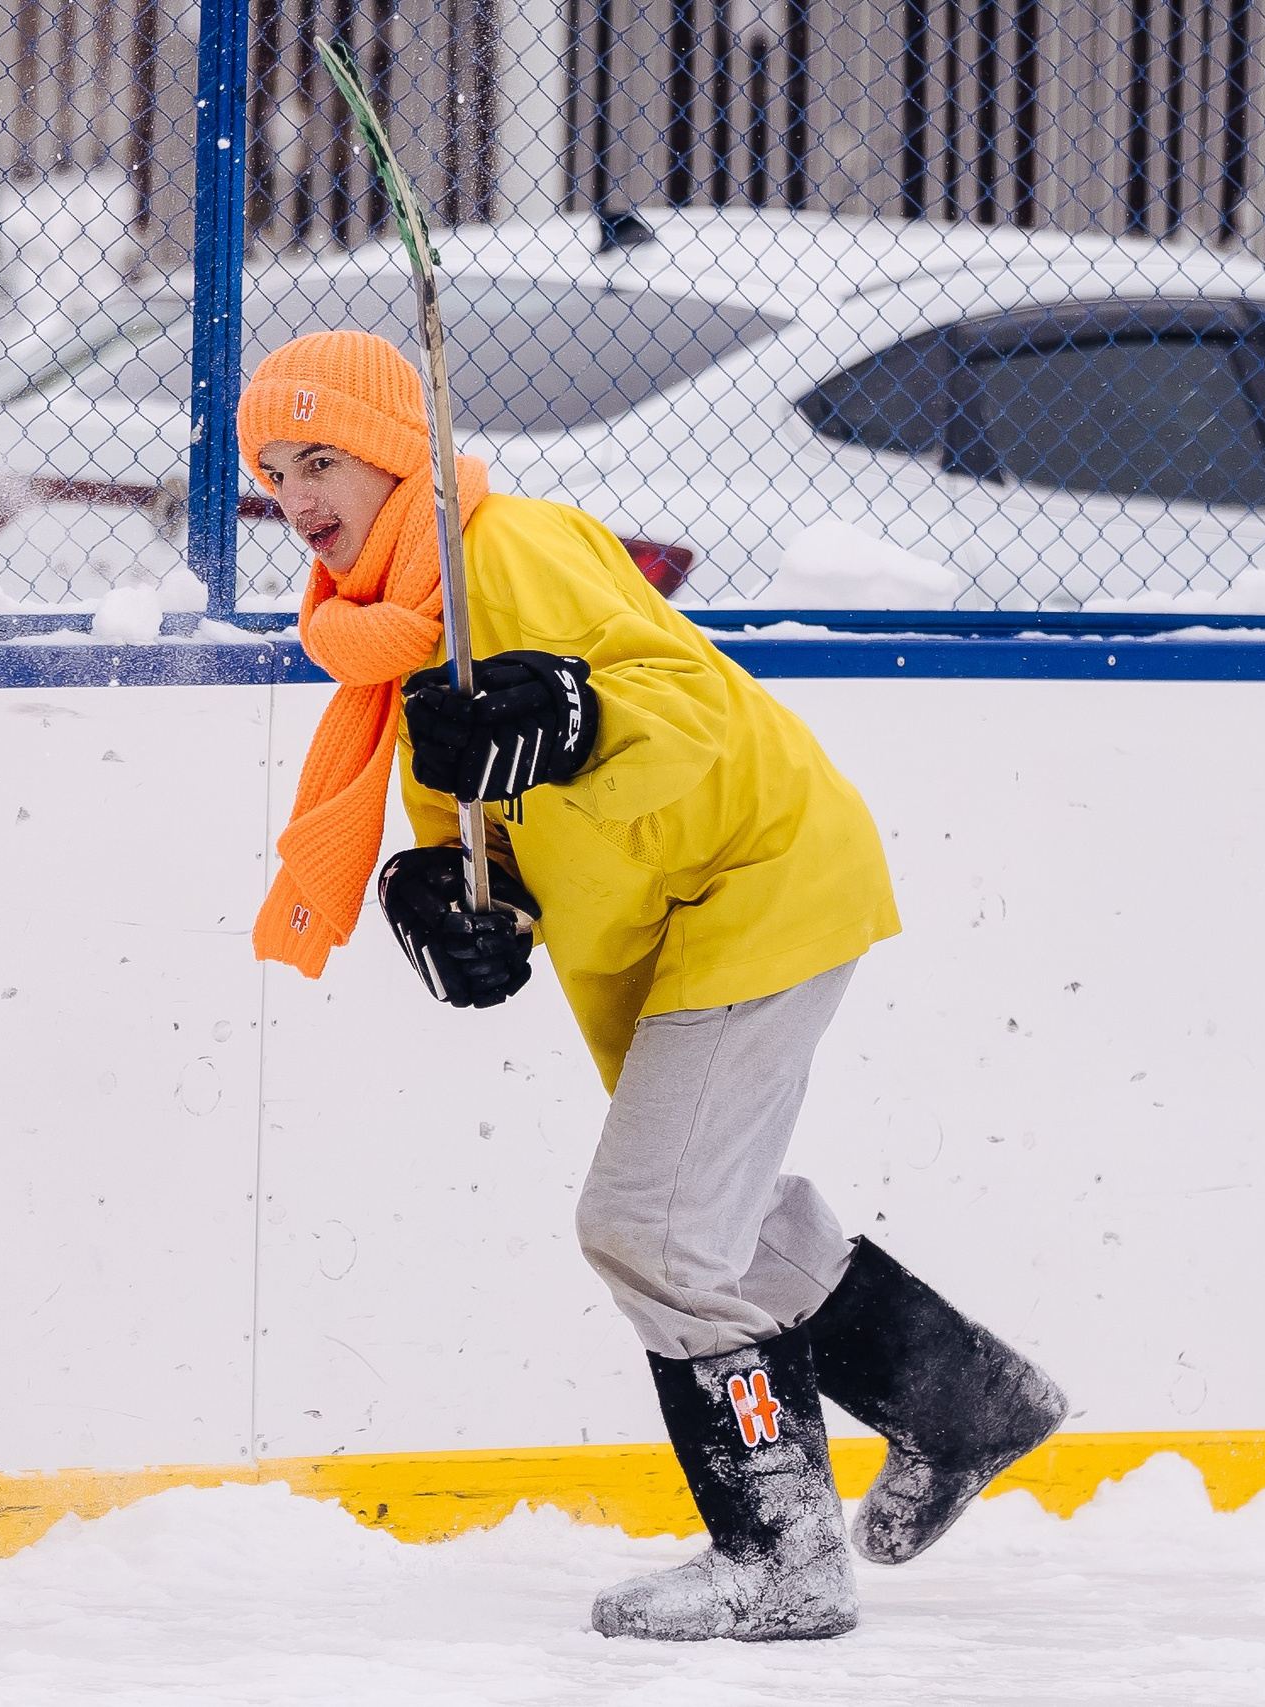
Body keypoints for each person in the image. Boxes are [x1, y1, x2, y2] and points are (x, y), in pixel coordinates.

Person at [239, 329, 1067, 1642]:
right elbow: (486, 801)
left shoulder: (506, 552)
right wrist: (460, 894)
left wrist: (571, 718)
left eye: (322, 456)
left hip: (751, 877)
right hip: (662, 917)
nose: (295, 493)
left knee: (647, 1228)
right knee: (712, 1216)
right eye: (275, 468)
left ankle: (779, 1554)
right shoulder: (399, 620)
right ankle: (962, 1402)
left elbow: (680, 700)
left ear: (401, 458)